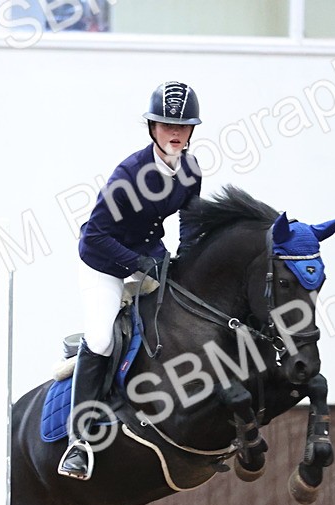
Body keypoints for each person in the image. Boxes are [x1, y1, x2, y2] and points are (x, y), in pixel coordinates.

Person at [58, 80, 204, 480]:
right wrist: (139, 263)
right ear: (152, 128)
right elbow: (95, 237)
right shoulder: (129, 173)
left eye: (182, 126)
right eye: (165, 125)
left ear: (191, 130)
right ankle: (78, 441)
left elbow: (189, 227)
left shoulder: (190, 170)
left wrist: (185, 265)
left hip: (148, 255)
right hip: (103, 262)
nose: (174, 133)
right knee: (103, 338)